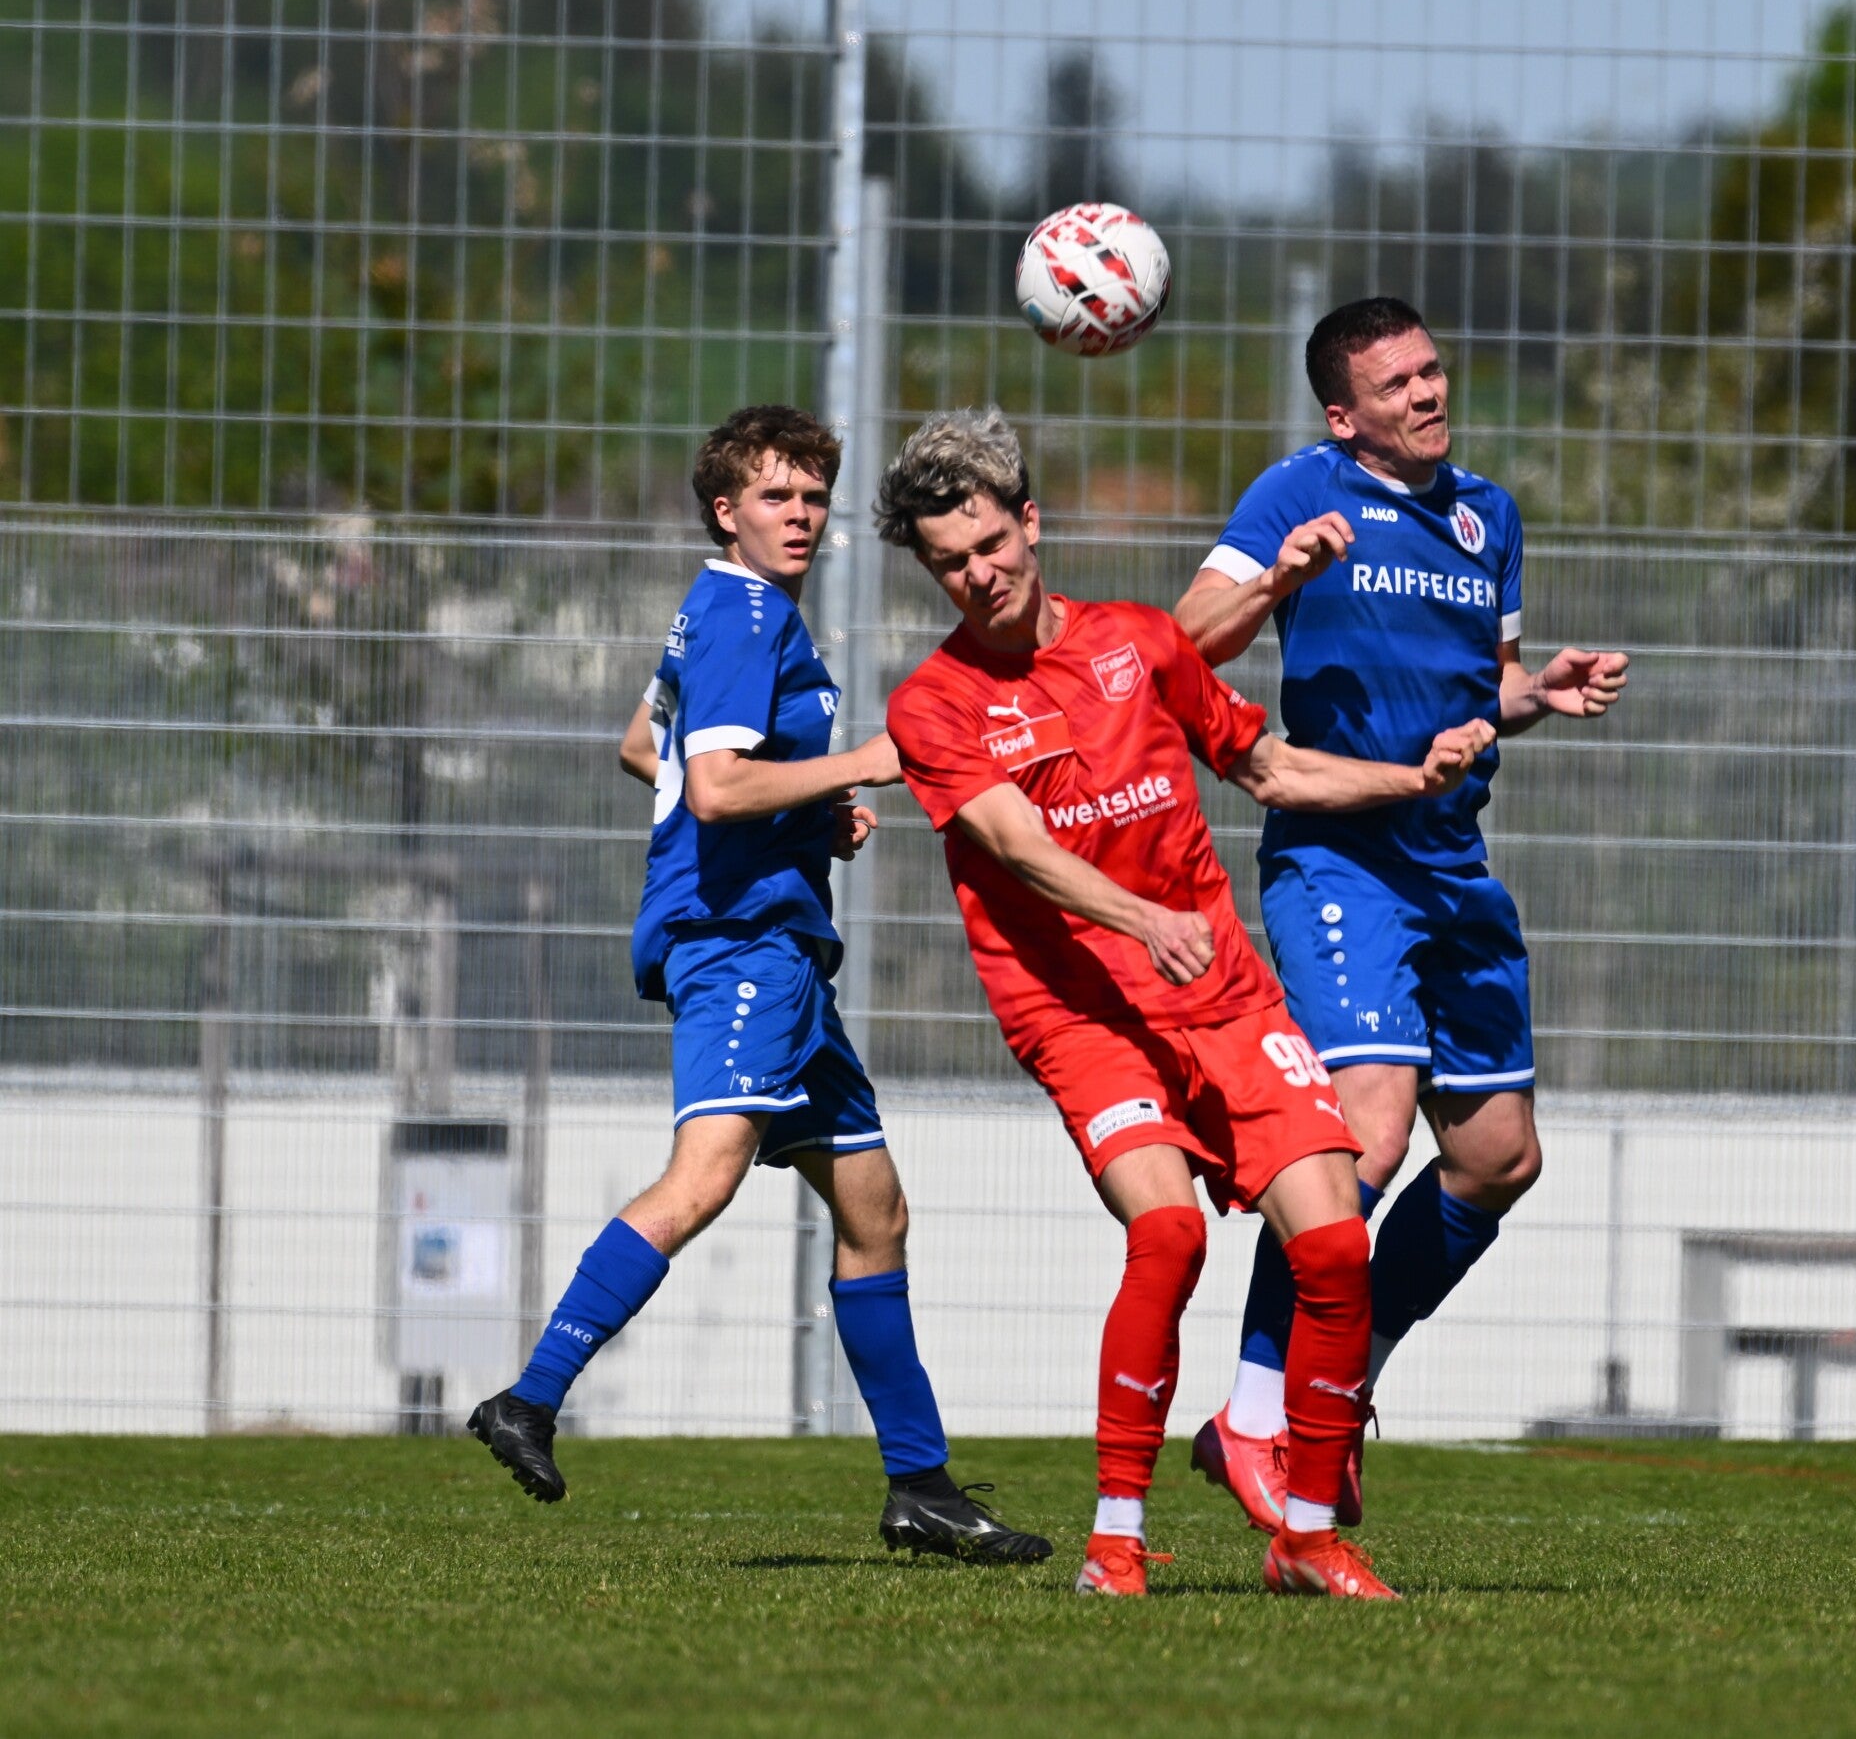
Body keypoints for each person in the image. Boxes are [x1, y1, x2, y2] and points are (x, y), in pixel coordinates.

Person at [875, 407, 1496, 1600]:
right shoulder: (933, 706)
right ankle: (1115, 1540)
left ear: (1029, 523)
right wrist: (1141, 918)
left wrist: (1408, 780)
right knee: (1166, 1235)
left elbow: (1267, 768)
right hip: (1079, 1014)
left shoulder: (1140, 643)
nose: (978, 573)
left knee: (1333, 1242)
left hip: (1217, 992)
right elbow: (1016, 849)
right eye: (949, 562)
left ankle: (1304, 1539)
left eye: (990, 544)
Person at [469, 404, 1051, 1567]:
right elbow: (715, 788)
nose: (800, 515)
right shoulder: (743, 615)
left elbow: (645, 747)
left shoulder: (720, 609)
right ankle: (530, 1396)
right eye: (774, 496)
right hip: (741, 941)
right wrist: (865, 762)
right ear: (724, 510)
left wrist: (810, 806)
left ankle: (920, 1487)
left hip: (777, 945)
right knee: (703, 1177)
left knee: (874, 1211)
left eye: (813, 496)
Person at [1174, 297, 1628, 1534]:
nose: (1427, 395)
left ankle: (1341, 1379)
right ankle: (1255, 1412)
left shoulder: (1486, 516)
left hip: (1452, 864)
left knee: (1496, 1156)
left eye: (1431, 371)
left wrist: (1538, 691)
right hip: (1341, 860)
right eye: (1395, 385)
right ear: (1343, 415)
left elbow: (1485, 685)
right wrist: (1280, 577)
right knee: (1362, 1134)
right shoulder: (1296, 493)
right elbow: (1180, 645)